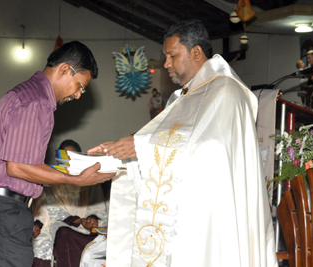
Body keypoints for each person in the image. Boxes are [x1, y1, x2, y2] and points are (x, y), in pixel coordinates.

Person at [88, 20, 277, 266]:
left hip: (214, 215)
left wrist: (142, 147)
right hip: (186, 212)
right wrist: (127, 156)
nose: (166, 63)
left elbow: (214, 151)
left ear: (196, 52)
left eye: (172, 55)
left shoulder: (226, 91)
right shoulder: (183, 97)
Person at [0, 41, 115, 267]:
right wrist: (75, 179)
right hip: (1, 211)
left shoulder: (25, 94)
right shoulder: (35, 101)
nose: (78, 95)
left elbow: (21, 163)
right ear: (65, 70)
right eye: (80, 86)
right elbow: (17, 167)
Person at [31, 139, 108, 267]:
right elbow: (46, 210)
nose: (69, 161)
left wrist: (92, 219)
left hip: (85, 229)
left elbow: (98, 207)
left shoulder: (91, 181)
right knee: (58, 235)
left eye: (73, 157)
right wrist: (37, 225)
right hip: (57, 225)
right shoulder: (51, 180)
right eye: (65, 157)